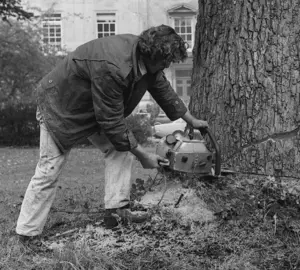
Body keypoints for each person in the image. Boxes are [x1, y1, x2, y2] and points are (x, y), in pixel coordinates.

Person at [15, 25, 208, 245]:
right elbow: (112, 121)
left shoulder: (145, 58)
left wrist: (191, 120)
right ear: (153, 55)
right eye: (166, 62)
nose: (168, 65)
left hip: (92, 108)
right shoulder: (114, 67)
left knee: (120, 150)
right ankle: (27, 235)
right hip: (60, 106)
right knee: (50, 168)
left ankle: (116, 212)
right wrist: (143, 155)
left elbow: (161, 88)